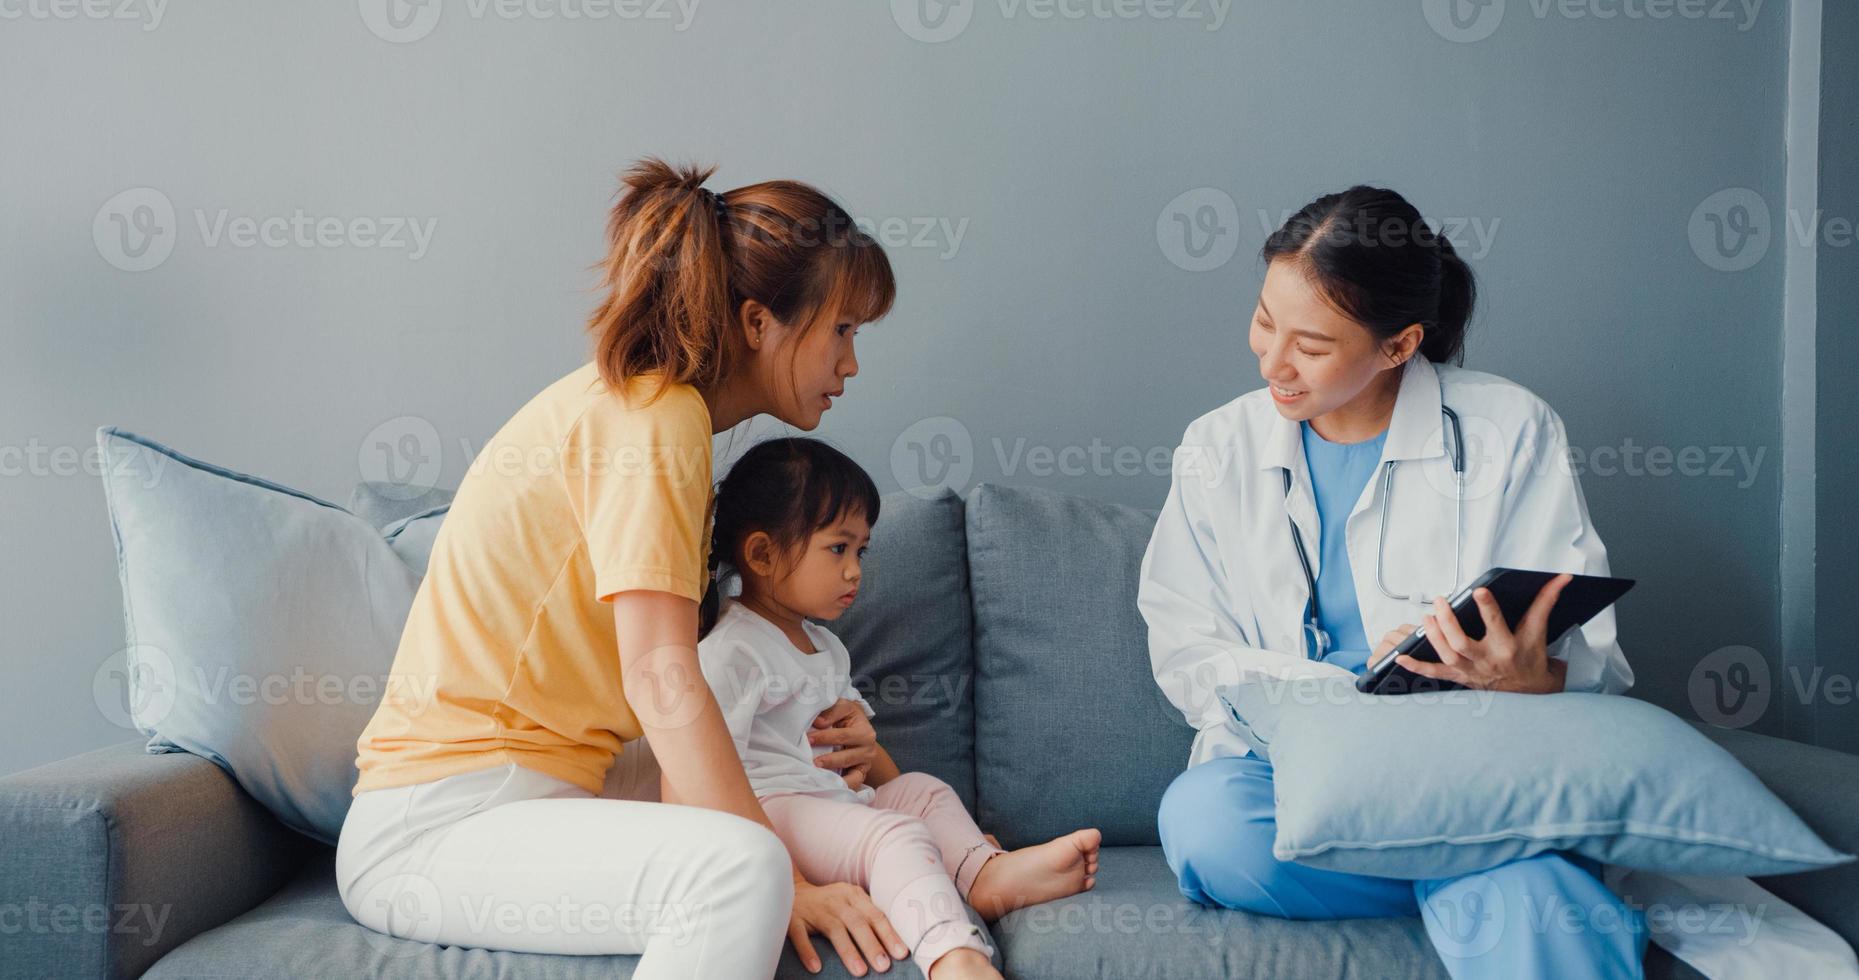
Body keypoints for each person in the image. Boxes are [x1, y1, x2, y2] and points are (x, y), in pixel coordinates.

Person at [336, 158, 906, 979]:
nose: (850, 363)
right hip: (445, 816)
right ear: (758, 323)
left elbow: (677, 703)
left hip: (544, 785)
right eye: (842, 330)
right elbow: (660, 678)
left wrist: (810, 731)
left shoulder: (651, 413)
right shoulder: (656, 419)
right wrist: (793, 882)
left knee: (773, 793)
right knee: (742, 869)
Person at [1139, 186, 1647, 979]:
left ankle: (1499, 871)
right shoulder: (1216, 446)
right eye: (1265, 322)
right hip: (1296, 774)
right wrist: (1336, 695)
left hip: (1469, 771)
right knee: (1205, 826)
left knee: (1521, 875)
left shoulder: (1509, 430)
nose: (1271, 361)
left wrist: (1528, 681)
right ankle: (1492, 876)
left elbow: (1587, 658)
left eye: (1310, 344)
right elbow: (1184, 651)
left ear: (1398, 345)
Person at [695, 437, 1103, 980]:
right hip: (774, 816)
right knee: (896, 836)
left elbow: (864, 758)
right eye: (837, 549)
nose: (855, 571)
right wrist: (787, 880)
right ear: (764, 554)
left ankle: (982, 876)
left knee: (925, 791)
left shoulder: (826, 647)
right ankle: (954, 955)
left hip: (833, 807)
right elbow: (704, 774)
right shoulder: (733, 649)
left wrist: (899, 794)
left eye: (860, 551)